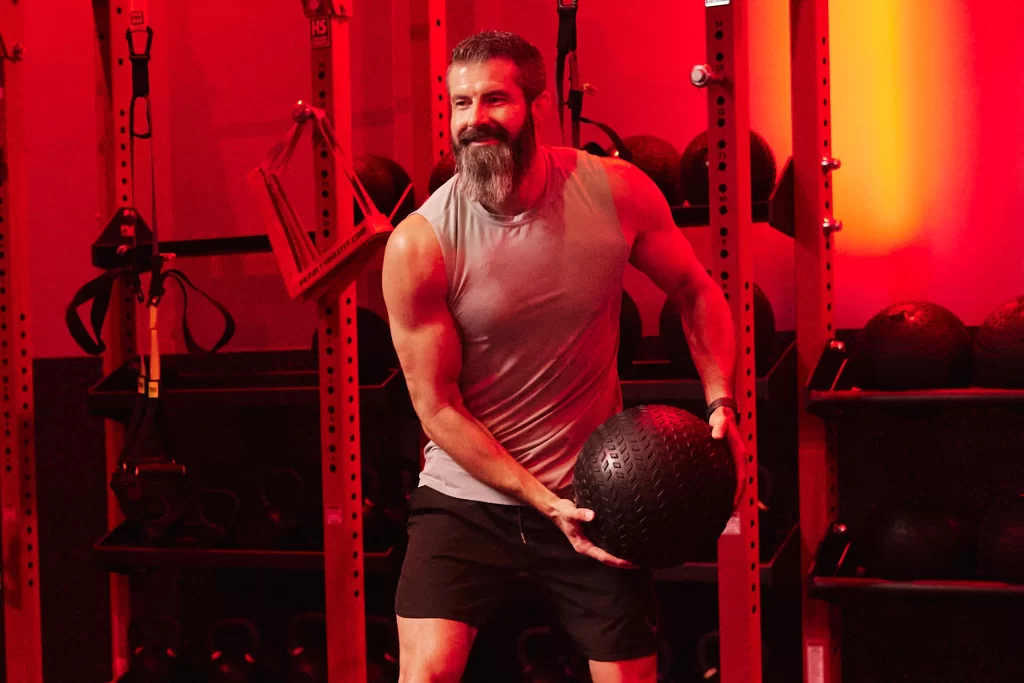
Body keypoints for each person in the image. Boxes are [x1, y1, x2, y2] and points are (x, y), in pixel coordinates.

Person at [381, 29, 746, 683]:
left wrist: (721, 397)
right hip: (467, 497)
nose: (473, 121)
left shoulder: (615, 193)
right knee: (427, 672)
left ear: (537, 106)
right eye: (460, 104)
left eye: (494, 100)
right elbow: (436, 408)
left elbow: (695, 289)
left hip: (597, 492)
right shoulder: (420, 244)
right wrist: (540, 499)